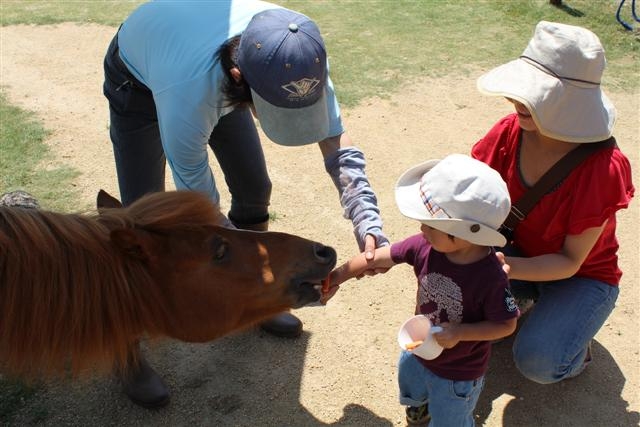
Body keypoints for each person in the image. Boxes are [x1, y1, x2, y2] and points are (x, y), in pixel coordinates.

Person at [102, 1, 389, 408]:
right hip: (142, 84)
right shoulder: (189, 94)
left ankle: (257, 306)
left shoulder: (296, 56)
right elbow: (203, 213)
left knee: (254, 186)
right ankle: (124, 352)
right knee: (141, 222)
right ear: (239, 80)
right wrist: (270, 274)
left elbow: (337, 150)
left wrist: (367, 219)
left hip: (212, 64)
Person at [471, 21, 635, 384]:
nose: (516, 101)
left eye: (535, 93)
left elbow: (569, 261)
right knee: (458, 294)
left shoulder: (602, 168)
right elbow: (475, 197)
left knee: (539, 362)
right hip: (518, 253)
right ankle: (530, 304)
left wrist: (498, 269)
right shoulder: (510, 130)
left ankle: (575, 349)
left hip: (582, 276)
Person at [324, 154, 520, 426]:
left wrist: (461, 333)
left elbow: (505, 325)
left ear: (462, 234)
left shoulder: (491, 277)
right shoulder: (426, 245)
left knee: (450, 417)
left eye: (430, 224)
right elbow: (378, 257)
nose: (421, 228)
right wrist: (336, 277)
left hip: (458, 371)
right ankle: (418, 410)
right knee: (412, 386)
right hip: (418, 347)